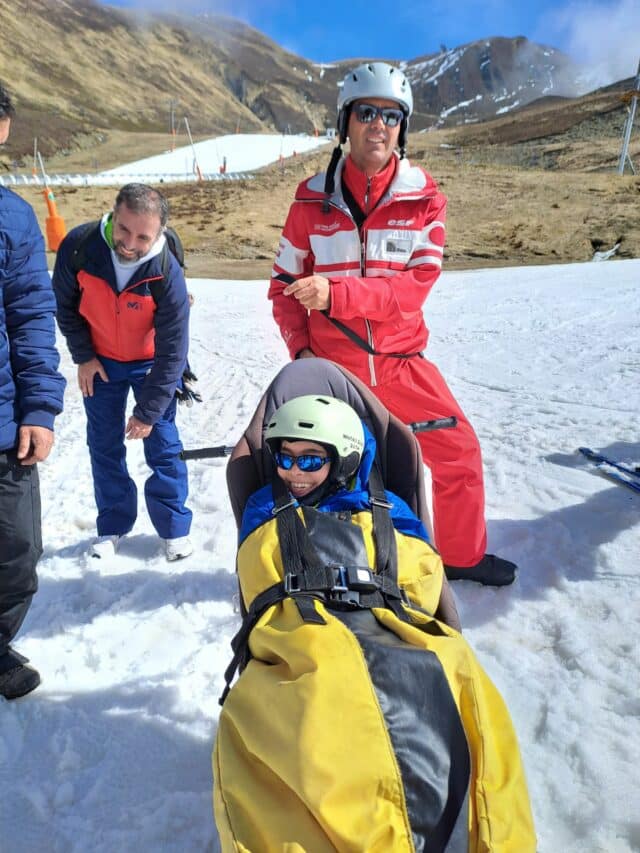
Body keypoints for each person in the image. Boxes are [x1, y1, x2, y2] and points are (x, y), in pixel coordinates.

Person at [214, 394, 536, 851]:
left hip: (391, 618)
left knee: (458, 669)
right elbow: (257, 572)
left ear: (344, 458)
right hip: (307, 628)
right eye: (283, 458)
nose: (293, 472)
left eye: (310, 459)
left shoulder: (387, 509)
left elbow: (422, 576)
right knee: (323, 689)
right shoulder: (267, 507)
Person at [269, 61, 516, 586]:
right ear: (346, 122)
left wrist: (336, 293)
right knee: (327, 467)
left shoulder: (425, 200)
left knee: (459, 452)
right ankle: (327, 565)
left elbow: (410, 292)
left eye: (390, 115)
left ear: (402, 127)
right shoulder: (309, 202)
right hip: (334, 370)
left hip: (403, 364)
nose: (377, 124)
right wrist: (301, 353)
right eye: (366, 112)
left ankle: (461, 556)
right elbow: (282, 287)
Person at [52, 183, 193, 561]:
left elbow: (174, 347)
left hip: (151, 364)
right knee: (104, 445)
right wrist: (83, 355)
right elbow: (63, 306)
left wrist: (148, 410)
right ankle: (113, 526)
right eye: (124, 230)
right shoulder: (81, 247)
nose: (129, 243)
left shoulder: (166, 269)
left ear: (159, 233)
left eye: (143, 236)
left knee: (163, 446)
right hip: (100, 363)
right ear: (113, 214)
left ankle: (174, 530)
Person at [0, 83, 66, 700]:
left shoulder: (14, 218)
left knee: (18, 552)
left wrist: (40, 408)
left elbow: (30, 318)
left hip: (4, 422)